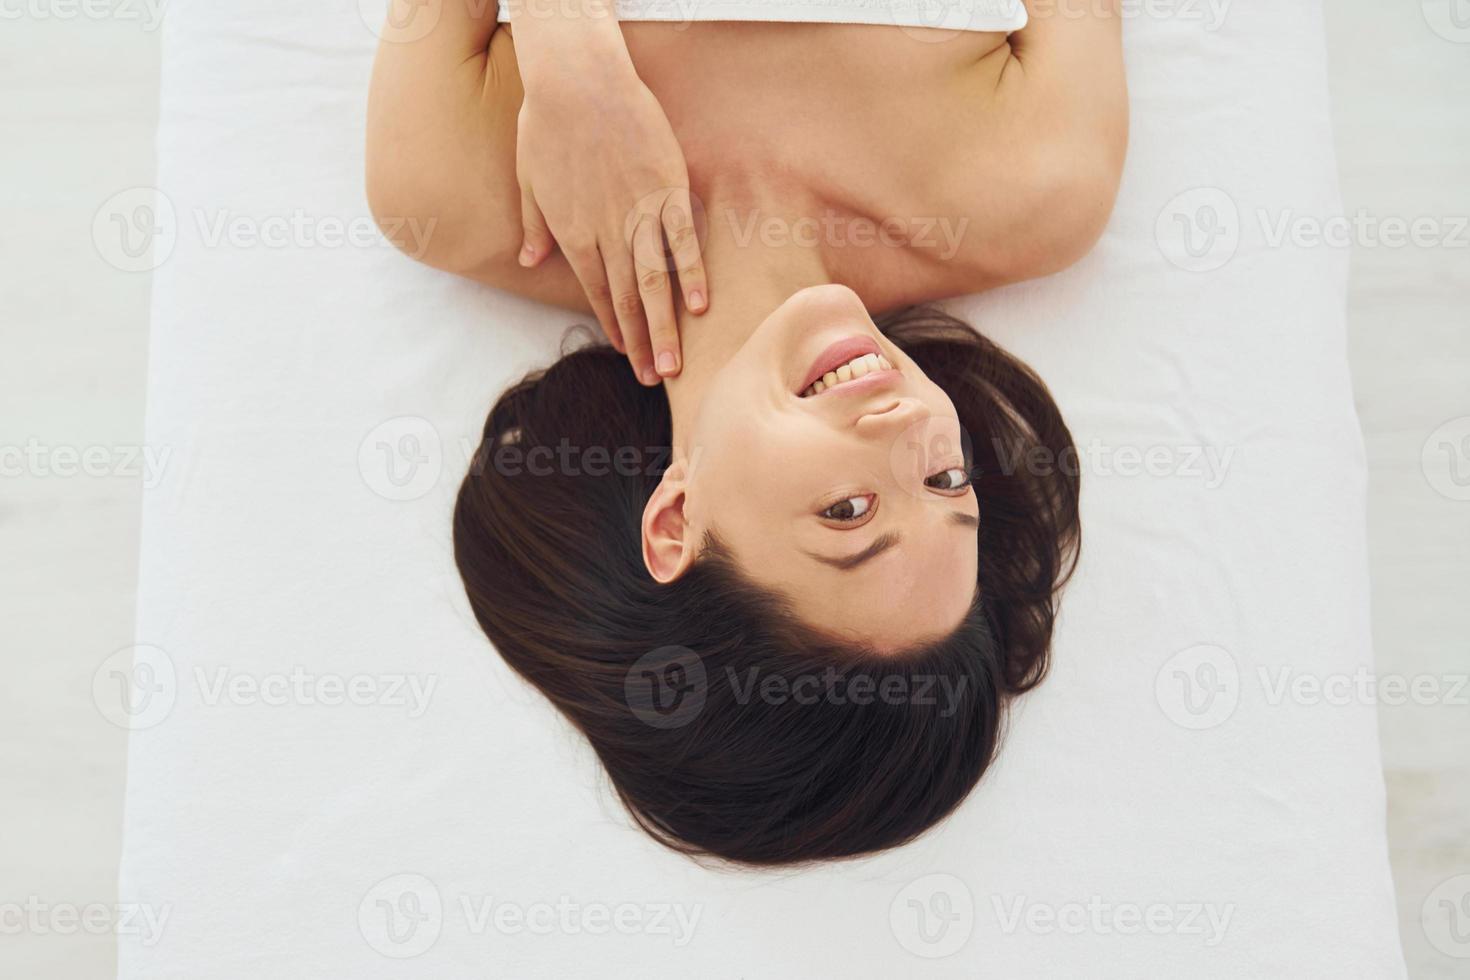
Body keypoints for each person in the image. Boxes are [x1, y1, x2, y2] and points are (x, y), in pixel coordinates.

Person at [366, 0, 1126, 865]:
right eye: (946, 483)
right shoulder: (1042, 186)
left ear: (676, 522)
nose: (908, 425)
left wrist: (570, 53)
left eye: (847, 510)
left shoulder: (450, 189)